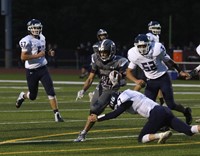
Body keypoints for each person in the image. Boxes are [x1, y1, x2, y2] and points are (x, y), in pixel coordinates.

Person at [88, 89, 200, 144]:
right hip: (165, 111)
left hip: (156, 113)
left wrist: (98, 118)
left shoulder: (124, 100)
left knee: (141, 138)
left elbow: (115, 114)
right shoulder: (130, 93)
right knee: (189, 130)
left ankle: (160, 135)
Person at [126, 34, 192, 125]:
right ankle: (161, 124)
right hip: (150, 81)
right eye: (139, 46)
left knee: (171, 105)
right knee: (148, 106)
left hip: (163, 78)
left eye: (144, 45)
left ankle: (186, 111)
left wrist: (180, 71)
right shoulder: (134, 54)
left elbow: (168, 60)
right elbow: (128, 72)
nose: (142, 48)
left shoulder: (156, 50)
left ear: (148, 44)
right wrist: (136, 81)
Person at [74, 39, 129, 142]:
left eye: (105, 52)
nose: (103, 55)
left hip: (111, 89)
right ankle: (83, 133)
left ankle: (83, 133)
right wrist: (83, 90)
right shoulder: (96, 59)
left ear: (112, 51)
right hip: (101, 86)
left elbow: (124, 81)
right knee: (92, 110)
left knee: (95, 110)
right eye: (101, 52)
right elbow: (90, 78)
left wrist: (117, 81)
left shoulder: (120, 62)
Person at [16, 19, 64, 122]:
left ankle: (57, 114)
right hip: (31, 70)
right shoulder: (26, 40)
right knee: (32, 96)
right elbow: (23, 57)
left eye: (38, 28)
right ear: (29, 29)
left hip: (43, 68)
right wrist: (38, 55)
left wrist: (48, 52)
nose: (36, 30)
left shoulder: (42, 37)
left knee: (51, 91)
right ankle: (23, 96)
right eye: (34, 28)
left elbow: (42, 50)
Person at [134, 21, 164, 105]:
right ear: (151, 28)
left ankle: (162, 101)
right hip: (147, 62)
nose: (158, 30)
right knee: (143, 83)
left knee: (158, 81)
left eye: (159, 28)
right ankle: (129, 98)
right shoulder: (149, 36)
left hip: (152, 62)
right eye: (156, 28)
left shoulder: (156, 36)